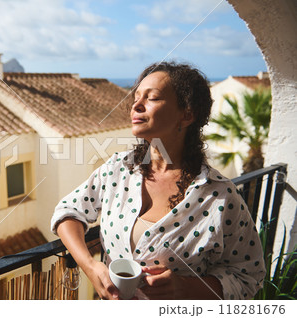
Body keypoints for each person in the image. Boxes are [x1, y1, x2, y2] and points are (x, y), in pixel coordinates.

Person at [50, 61, 265, 300]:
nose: (136, 106)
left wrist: (184, 287)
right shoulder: (117, 170)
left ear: (187, 114)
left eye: (151, 98)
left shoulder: (220, 197)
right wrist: (90, 267)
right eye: (136, 97)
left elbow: (248, 277)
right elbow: (68, 211)